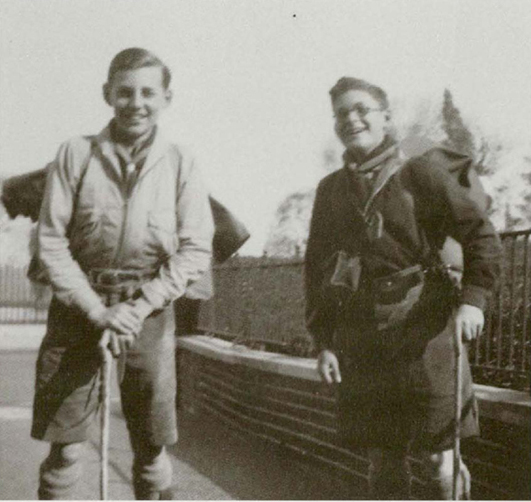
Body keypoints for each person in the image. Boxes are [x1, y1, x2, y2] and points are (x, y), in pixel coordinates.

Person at [305, 77, 502, 499]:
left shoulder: (421, 170)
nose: (351, 119)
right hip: (363, 338)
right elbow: (317, 270)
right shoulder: (331, 190)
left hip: (425, 327)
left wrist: (474, 301)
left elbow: (480, 233)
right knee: (382, 458)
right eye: (342, 113)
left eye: (362, 109)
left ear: (386, 117)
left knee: (438, 459)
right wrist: (323, 340)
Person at [32, 47, 214, 500]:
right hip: (78, 307)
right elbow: (50, 243)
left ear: (166, 98)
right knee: (65, 451)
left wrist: (137, 308)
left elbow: (195, 250)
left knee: (151, 449)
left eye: (148, 93)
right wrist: (98, 311)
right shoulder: (76, 154)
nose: (137, 103)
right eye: (125, 92)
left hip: (148, 311)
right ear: (107, 95)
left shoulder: (181, 162)